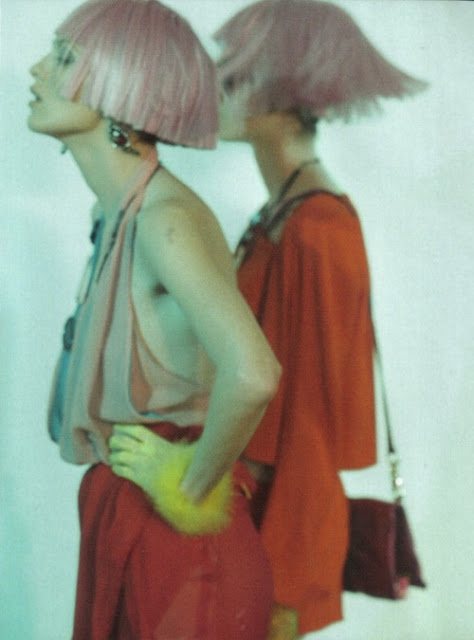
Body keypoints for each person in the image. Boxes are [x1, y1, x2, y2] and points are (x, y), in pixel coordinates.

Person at [28, 1, 281, 638]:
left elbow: (254, 373)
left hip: (179, 557)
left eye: (63, 58)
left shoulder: (163, 223)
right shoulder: (114, 213)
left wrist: (186, 486)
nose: (36, 71)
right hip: (129, 525)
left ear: (123, 87)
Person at [214, 1, 427, 638]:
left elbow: (314, 423)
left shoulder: (318, 227)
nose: (216, 85)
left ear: (287, 92)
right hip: (247, 514)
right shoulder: (282, 213)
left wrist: (280, 579)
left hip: (281, 532)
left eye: (236, 74)